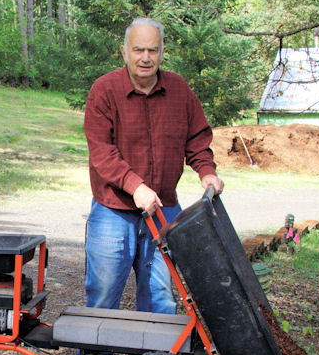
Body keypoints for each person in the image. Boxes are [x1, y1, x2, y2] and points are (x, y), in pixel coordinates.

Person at [83, 17, 224, 316]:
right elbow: (101, 152)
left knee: (160, 295)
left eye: (153, 50)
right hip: (113, 211)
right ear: (124, 52)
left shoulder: (178, 89)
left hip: (163, 209)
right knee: (103, 295)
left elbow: (197, 137)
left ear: (161, 53)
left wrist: (206, 170)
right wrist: (136, 186)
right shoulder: (104, 90)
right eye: (138, 50)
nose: (145, 57)